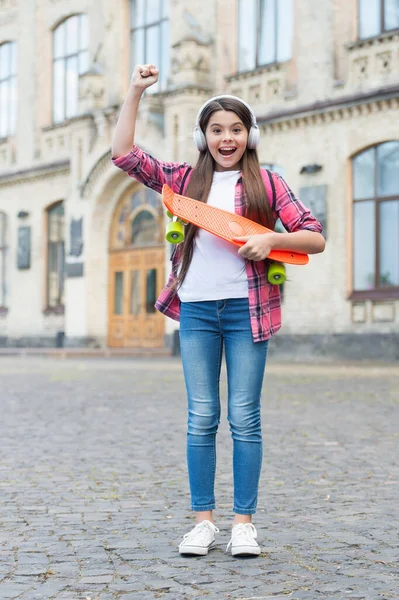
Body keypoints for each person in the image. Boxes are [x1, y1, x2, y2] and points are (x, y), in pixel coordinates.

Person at [112, 64, 325, 557]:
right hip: (198, 313)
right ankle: (203, 522)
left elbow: (313, 236)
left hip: (247, 312)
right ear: (202, 136)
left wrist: (271, 238)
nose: (226, 138)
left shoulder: (268, 185)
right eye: (216, 130)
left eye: (235, 129)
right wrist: (135, 91)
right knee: (201, 416)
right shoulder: (184, 182)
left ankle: (243, 524)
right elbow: (123, 153)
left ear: (249, 136)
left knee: (245, 417)